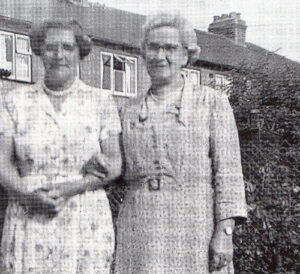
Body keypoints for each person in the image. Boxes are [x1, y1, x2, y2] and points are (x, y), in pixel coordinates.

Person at [113, 13, 247, 273]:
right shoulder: (128, 110)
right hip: (139, 227)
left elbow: (228, 175)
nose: (160, 55)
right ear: (143, 53)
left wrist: (225, 233)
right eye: (153, 47)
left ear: (187, 54)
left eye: (170, 48)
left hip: (194, 227)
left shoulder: (212, 103)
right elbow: (116, 169)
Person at [0, 20, 122, 273]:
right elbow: (2, 161)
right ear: (38, 51)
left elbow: (115, 163)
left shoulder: (100, 101)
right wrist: (25, 196)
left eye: (67, 48)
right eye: (50, 47)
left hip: (85, 219)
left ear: (80, 53)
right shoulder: (14, 101)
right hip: (30, 212)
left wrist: (72, 187)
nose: (59, 55)